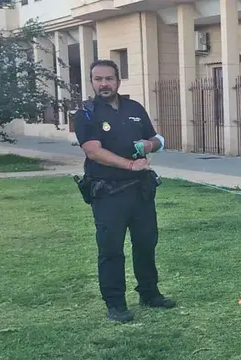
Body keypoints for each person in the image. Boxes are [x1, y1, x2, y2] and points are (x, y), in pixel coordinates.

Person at [74, 59, 175, 323]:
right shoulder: (86, 113)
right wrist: (130, 164)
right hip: (108, 193)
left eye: (109, 78)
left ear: (118, 81)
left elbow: (156, 139)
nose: (104, 84)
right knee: (111, 250)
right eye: (98, 79)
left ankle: (149, 293)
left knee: (146, 243)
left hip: (140, 192)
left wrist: (150, 145)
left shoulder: (134, 108)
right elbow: (93, 151)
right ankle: (115, 304)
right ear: (92, 82)